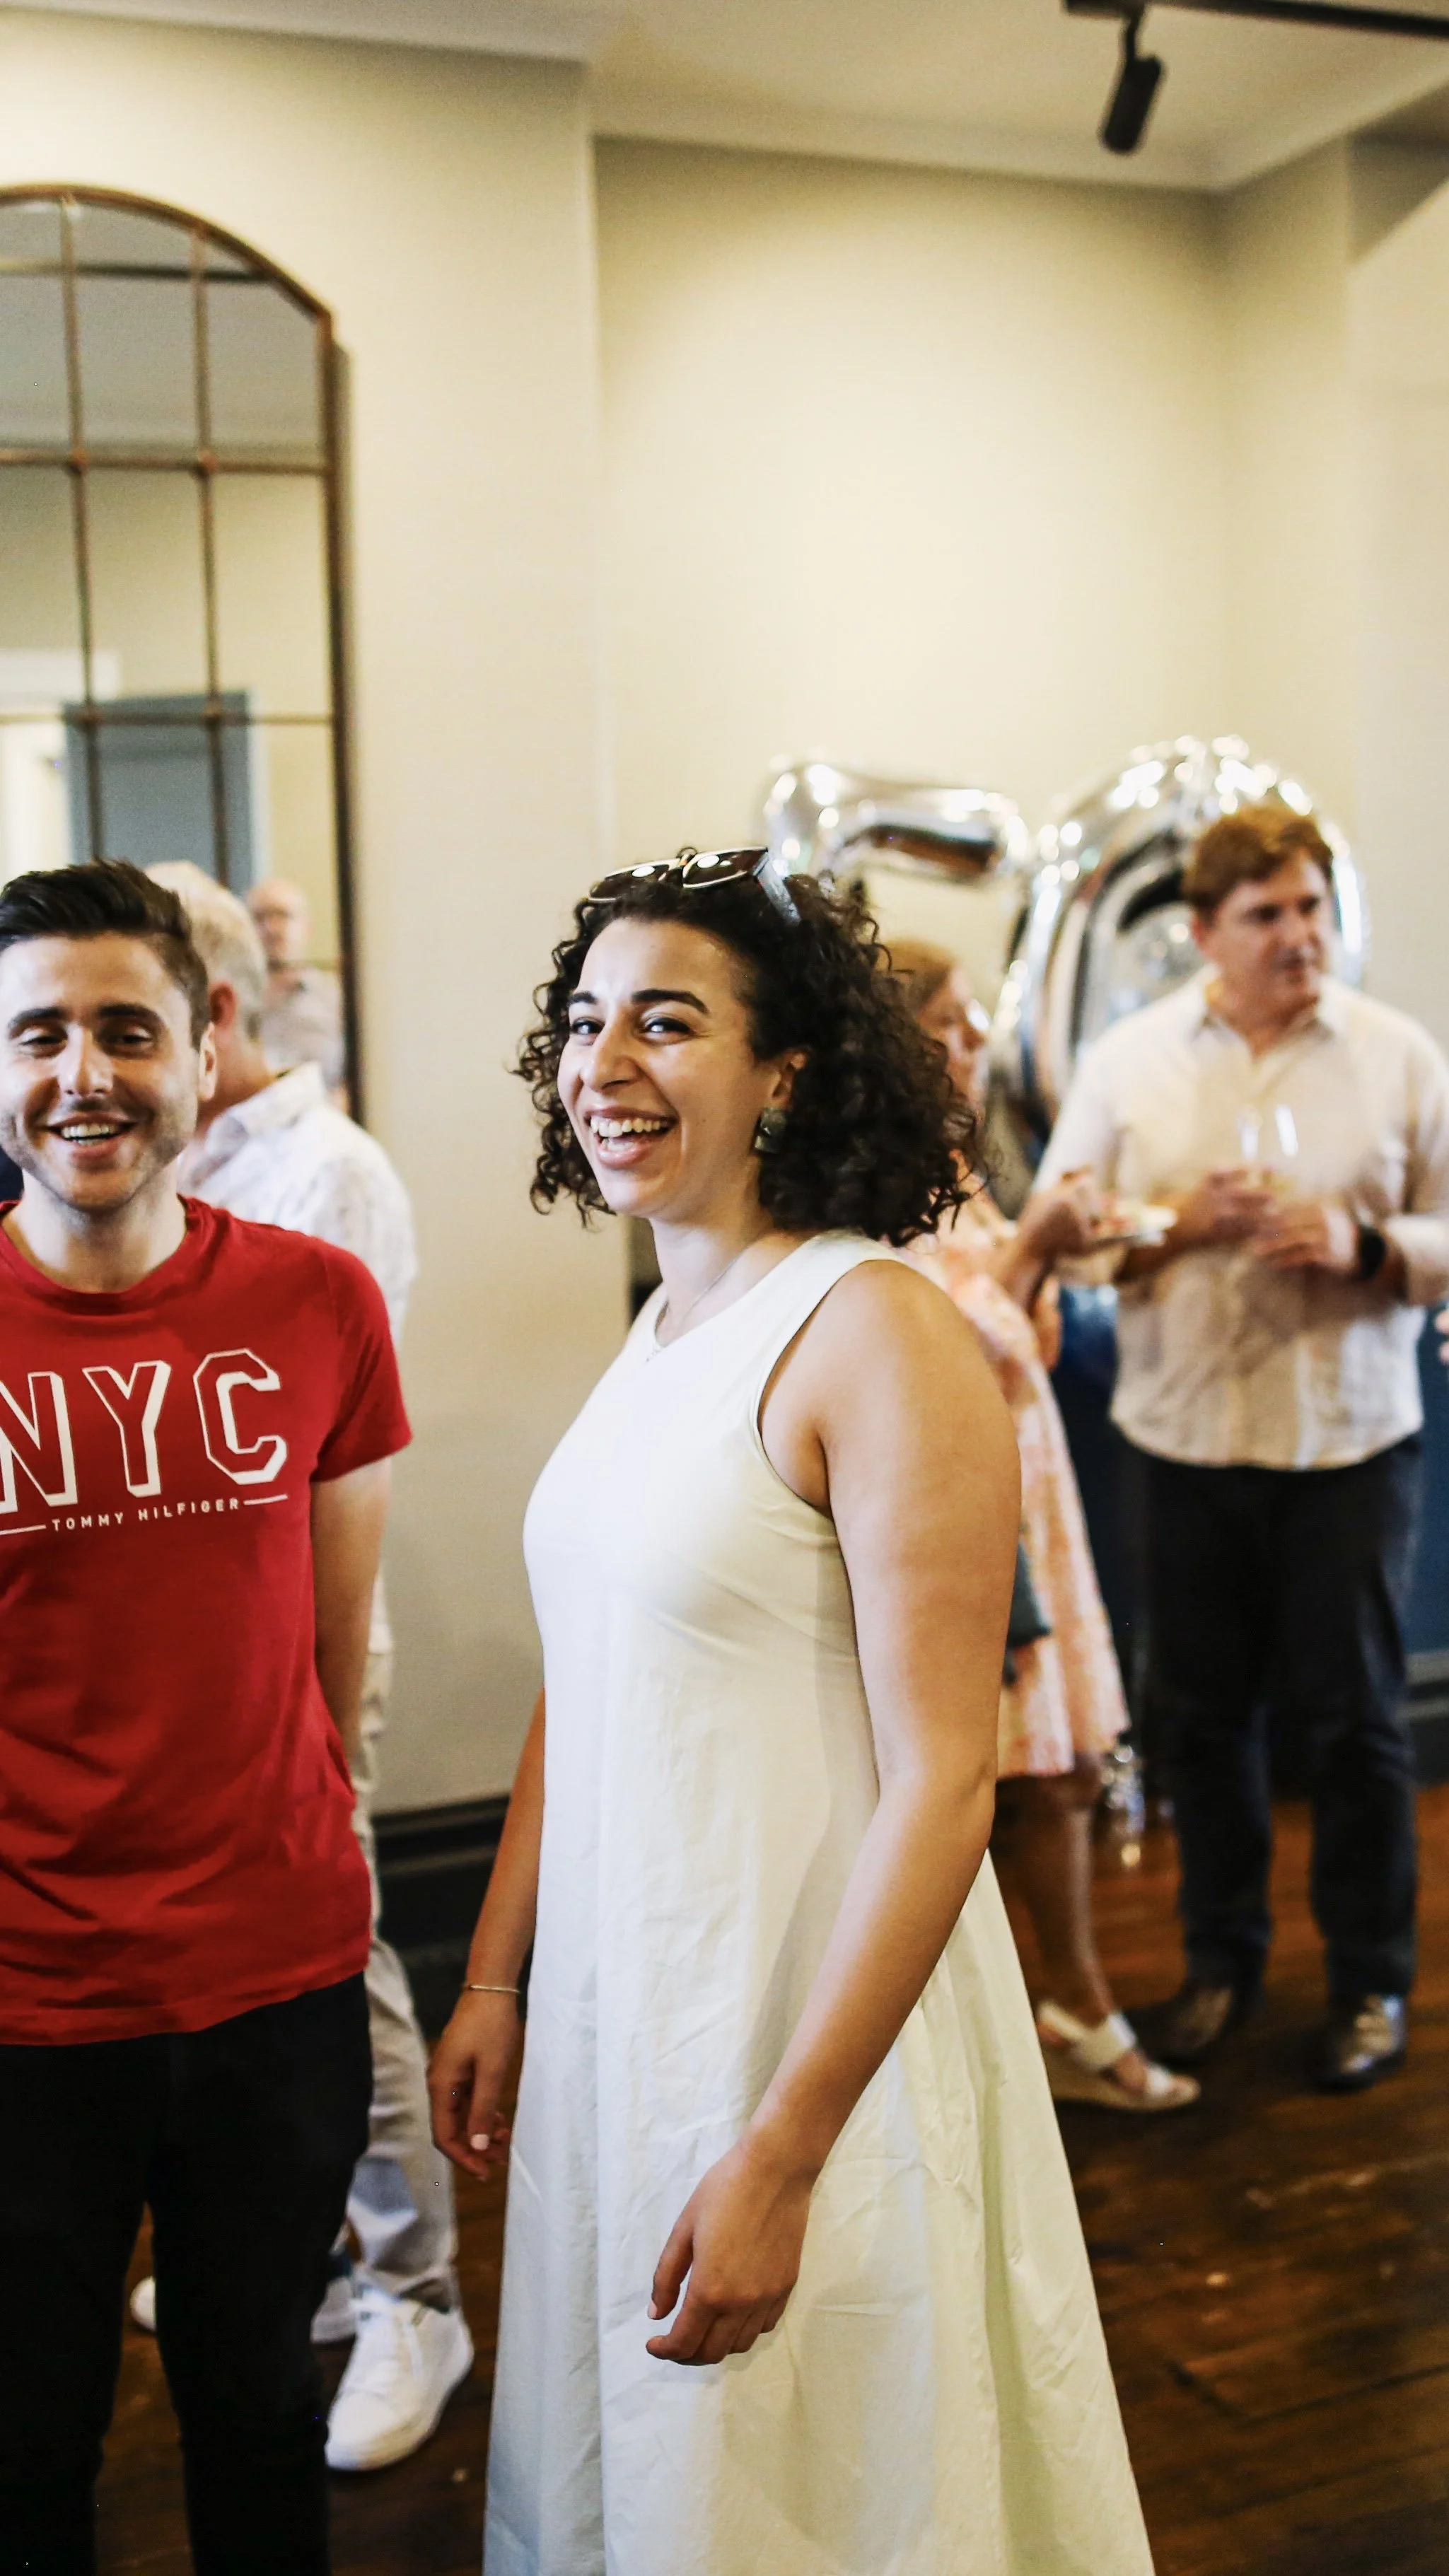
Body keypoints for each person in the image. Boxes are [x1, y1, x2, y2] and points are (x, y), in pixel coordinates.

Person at [429, 848, 1154, 2575]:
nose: (603, 1063)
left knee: (823, 2474)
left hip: (803, 2012)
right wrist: (491, 1970)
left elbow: (943, 1783)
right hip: (629, 1985)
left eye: (663, 1022)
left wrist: (781, 2148)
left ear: (789, 1067)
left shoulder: (874, 1329)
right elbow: (587, 1669)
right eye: (584, 1023)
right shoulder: (665, 1324)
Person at [0, 859, 410, 2574]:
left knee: (258, 2412)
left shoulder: (318, 1304)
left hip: (273, 1985)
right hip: (26, 2009)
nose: (82, 1070)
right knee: (28, 2451)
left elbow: (328, 1661)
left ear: (205, 1041)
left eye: (124, 1027)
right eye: (38, 1032)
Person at [124, 864, 470, 2474]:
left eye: (131, 1016)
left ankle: (419, 2290)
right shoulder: (146, 1157)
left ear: (213, 1016)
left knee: (345, 1956)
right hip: (166, 1661)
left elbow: (287, 1434)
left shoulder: (330, 1180)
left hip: (299, 1637)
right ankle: (312, 2243)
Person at [1039, 803, 1449, 2091]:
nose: (1297, 935)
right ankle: (1217, 1964)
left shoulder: (1396, 1054)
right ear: (1203, 931)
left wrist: (1364, 1247)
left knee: (1355, 1729)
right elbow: (1066, 1226)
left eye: (1310, 906)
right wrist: (1174, 1227)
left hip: (1345, 1440)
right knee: (1198, 1723)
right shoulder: (1126, 1060)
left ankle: (1369, 1981)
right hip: (1182, 1438)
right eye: (1265, 913)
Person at [890, 938, 1194, 2114]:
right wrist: (1032, 1249)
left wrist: (1052, 1254)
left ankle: (1057, 2007)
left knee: (1059, 1765)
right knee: (1016, 1773)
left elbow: (1026, 1338)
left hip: (1026, 1481)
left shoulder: (951, 1169)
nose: (973, 1046)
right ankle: (1045, 2014)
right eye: (949, 1027)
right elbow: (930, 1351)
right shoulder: (865, 1188)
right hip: (962, 1501)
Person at [248, 877, 346, 1092]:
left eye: (283, 915)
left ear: (307, 927)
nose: (271, 928)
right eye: (260, 918)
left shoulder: (336, 999)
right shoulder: (235, 1005)